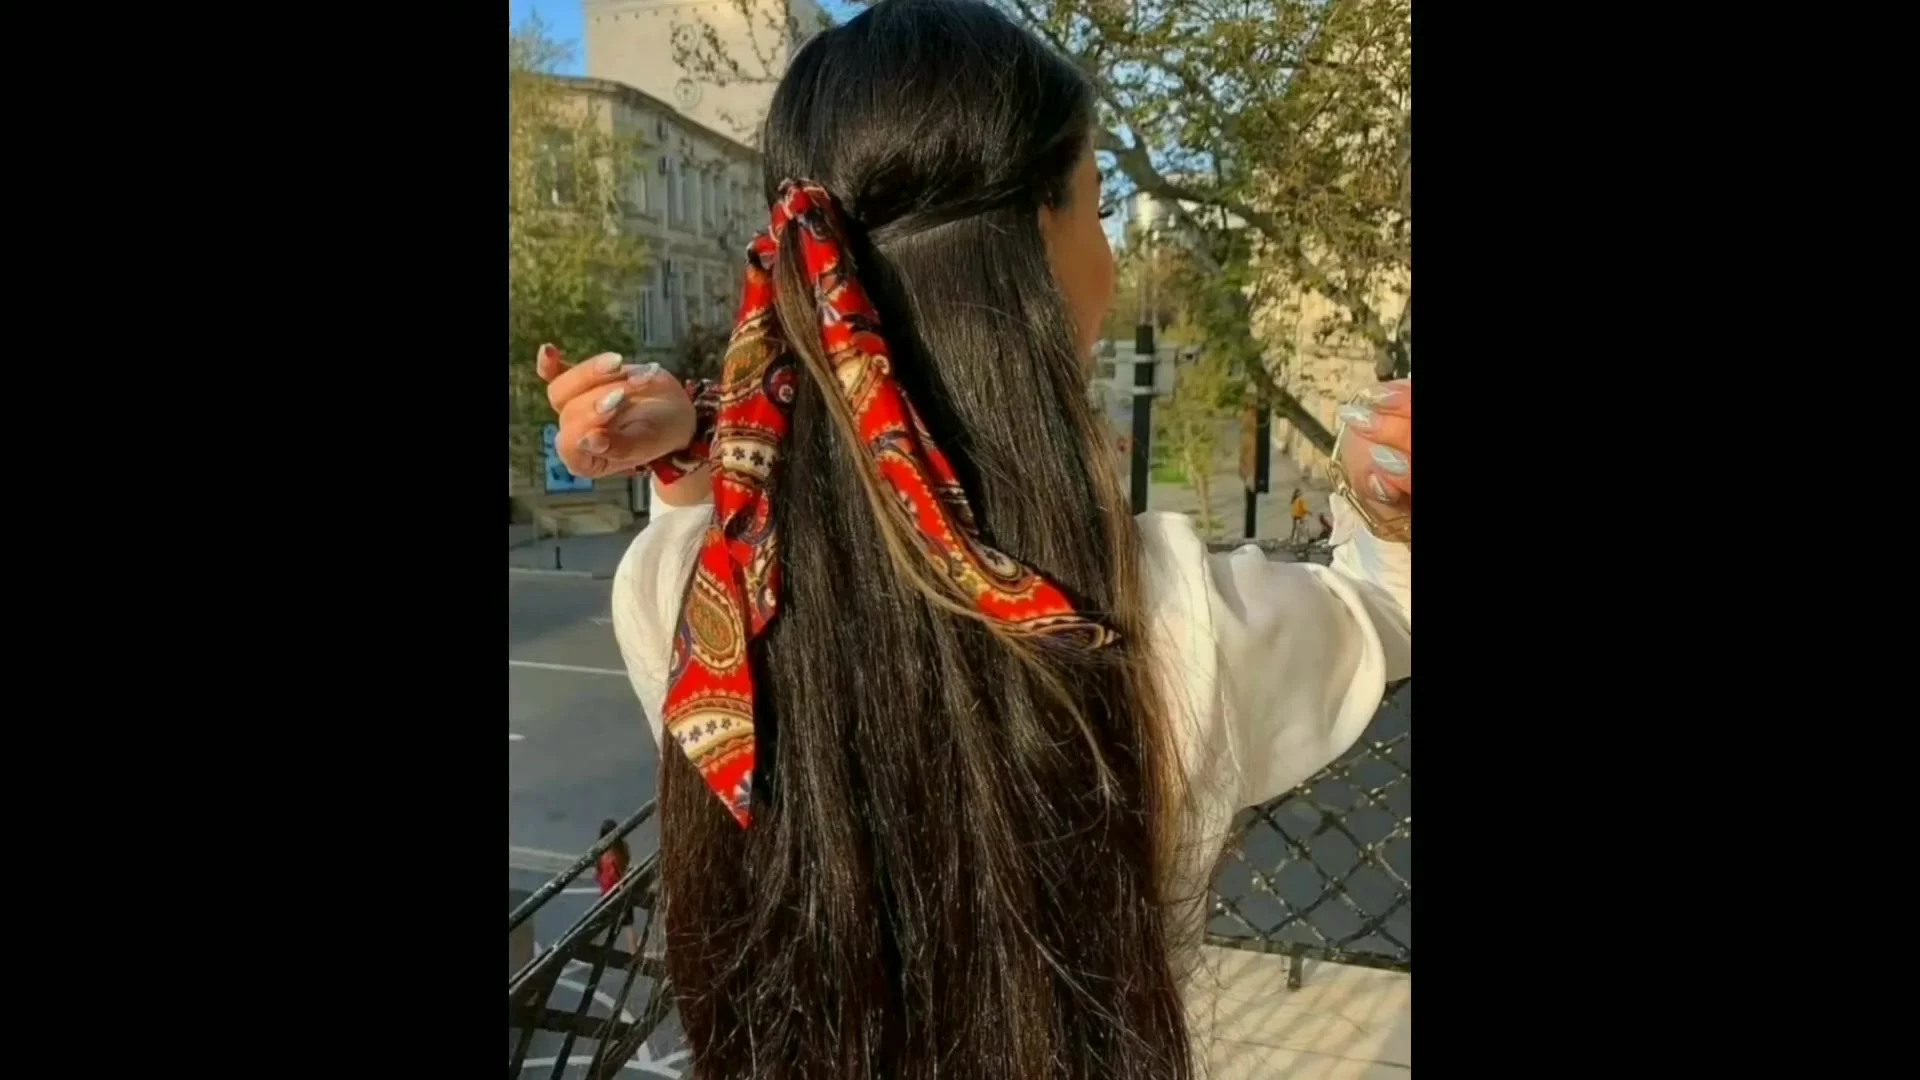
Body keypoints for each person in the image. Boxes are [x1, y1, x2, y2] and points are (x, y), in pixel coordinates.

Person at [534, 2, 1410, 1076]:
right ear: (1035, 247)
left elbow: (725, 534)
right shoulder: (1182, 625)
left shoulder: (688, 605)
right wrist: (1382, 494)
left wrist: (694, 454)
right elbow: (1388, 605)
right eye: (1096, 206)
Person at [593, 818, 639, 957]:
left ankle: (592, 947)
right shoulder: (622, 848)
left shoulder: (601, 853)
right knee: (628, 924)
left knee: (599, 923)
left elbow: (597, 872)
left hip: (607, 894)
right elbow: (626, 863)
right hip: (621, 890)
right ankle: (634, 952)